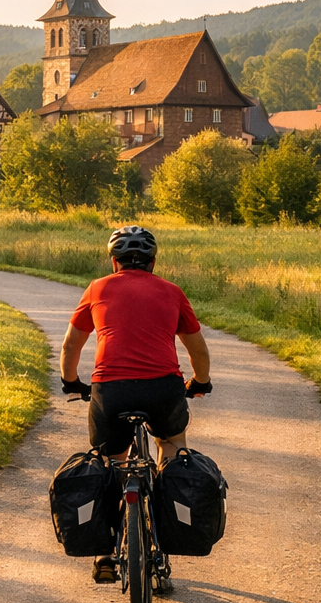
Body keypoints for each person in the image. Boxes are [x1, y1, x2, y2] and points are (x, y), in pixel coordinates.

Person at [59, 225, 211, 584]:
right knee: (172, 449)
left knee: (111, 463)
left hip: (110, 391)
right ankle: (167, 539)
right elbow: (198, 349)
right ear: (153, 262)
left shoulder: (97, 288)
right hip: (164, 389)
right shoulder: (172, 292)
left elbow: (70, 347)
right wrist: (200, 382)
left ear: (114, 262)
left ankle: (107, 553)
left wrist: (71, 382)